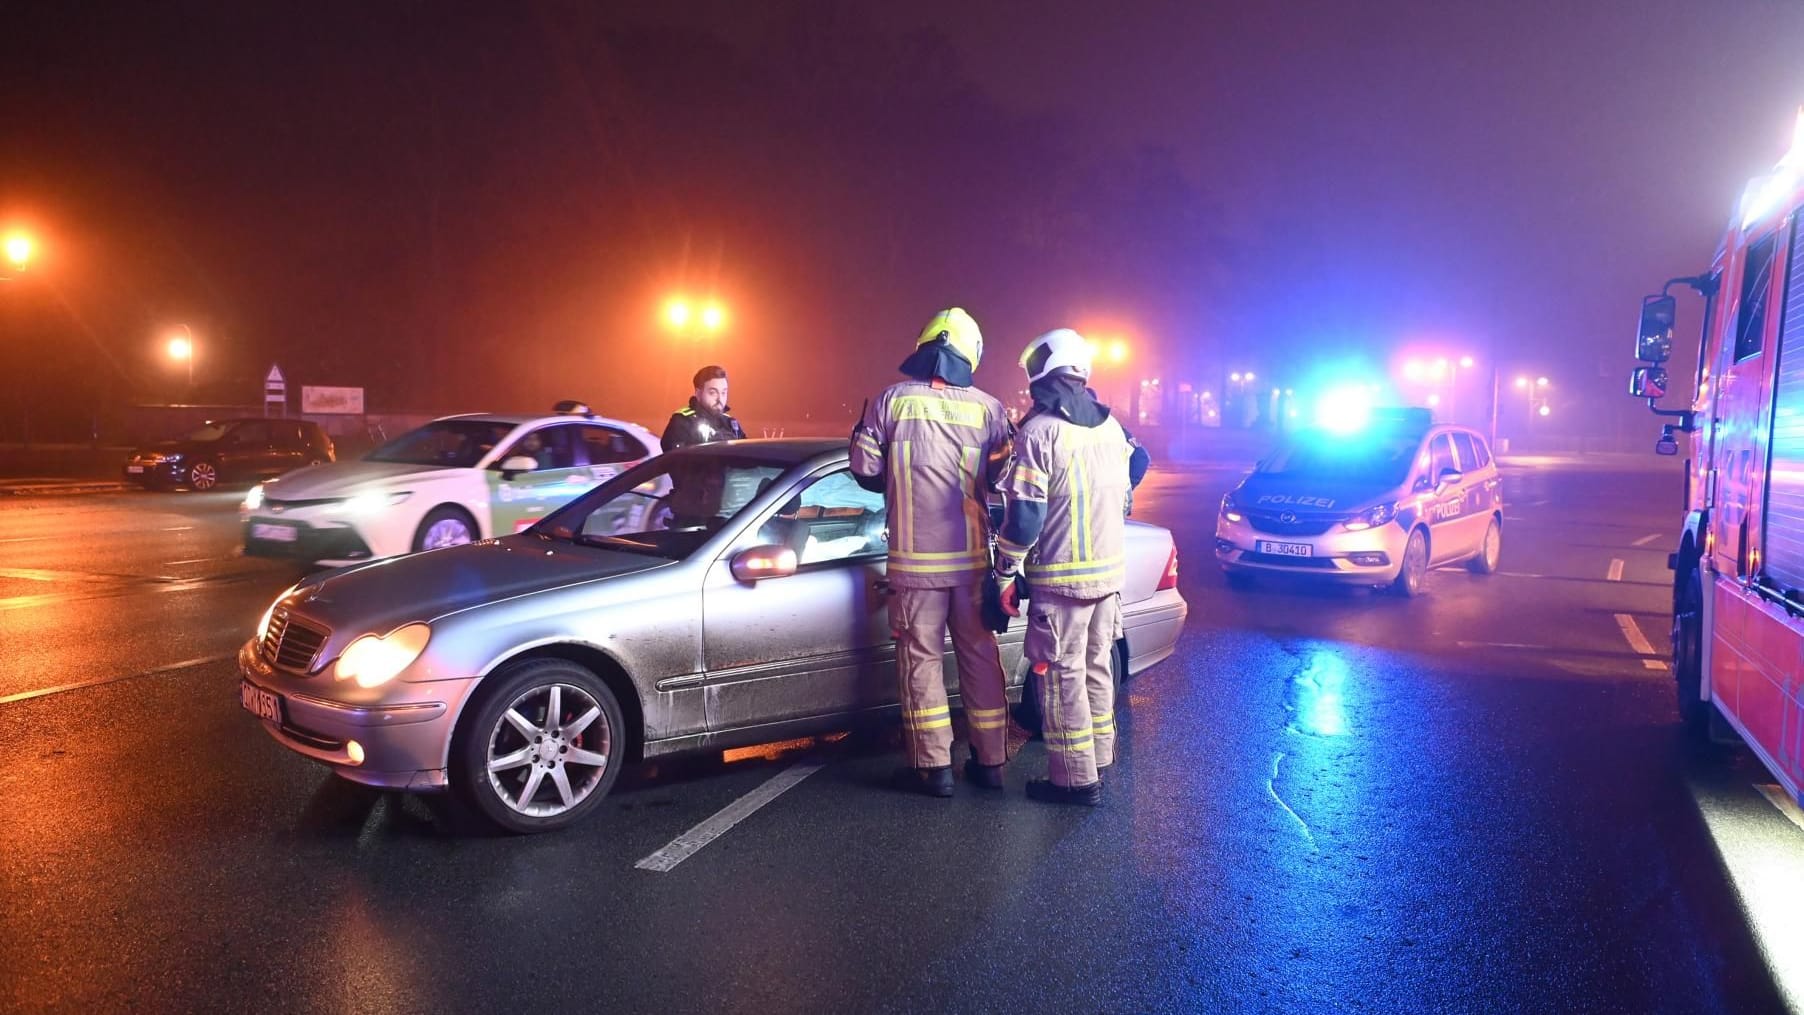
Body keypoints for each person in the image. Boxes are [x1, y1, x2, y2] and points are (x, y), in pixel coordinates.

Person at [849, 307, 1014, 797]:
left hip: (914, 564)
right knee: (981, 658)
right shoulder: (989, 408)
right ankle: (991, 762)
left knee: (921, 662)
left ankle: (933, 767)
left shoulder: (889, 402)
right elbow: (1004, 477)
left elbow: (863, 467)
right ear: (971, 354)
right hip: (970, 564)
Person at [992, 329, 1133, 806]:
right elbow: (1136, 471)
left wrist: (1005, 571)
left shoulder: (1039, 432)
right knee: (1096, 668)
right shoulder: (1110, 427)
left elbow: (1026, 514)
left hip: (1060, 583)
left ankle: (1074, 781)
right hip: (1108, 579)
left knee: (1060, 677)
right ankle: (1099, 757)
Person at [662, 365, 746, 452]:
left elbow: (746, 457)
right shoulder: (683, 421)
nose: (720, 399)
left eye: (723, 392)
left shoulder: (731, 423)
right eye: (713, 393)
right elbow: (675, 458)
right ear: (698, 393)